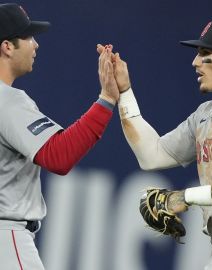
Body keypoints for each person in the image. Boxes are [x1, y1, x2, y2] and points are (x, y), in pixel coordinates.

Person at [98, 19, 212, 270]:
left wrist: (185, 197)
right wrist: (125, 92)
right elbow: (152, 155)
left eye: (206, 53)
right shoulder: (205, 113)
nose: (196, 62)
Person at [0, 3, 118, 270]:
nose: (35, 45)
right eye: (28, 37)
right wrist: (106, 99)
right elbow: (58, 155)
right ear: (7, 46)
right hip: (6, 241)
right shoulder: (7, 100)